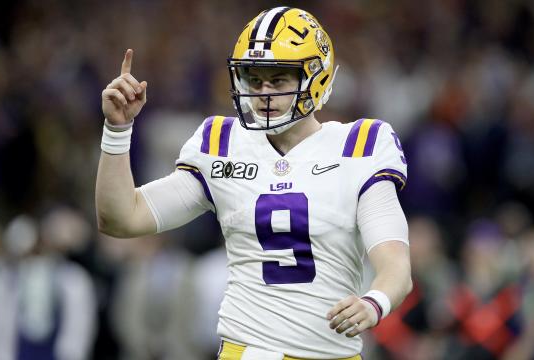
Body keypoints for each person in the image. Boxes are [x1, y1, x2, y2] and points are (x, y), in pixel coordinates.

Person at [96, 7, 412, 359]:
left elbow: (396, 267)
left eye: (278, 80)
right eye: (254, 79)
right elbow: (121, 218)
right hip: (247, 351)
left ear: (316, 78)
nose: (263, 93)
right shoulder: (222, 143)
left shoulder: (361, 147)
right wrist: (117, 131)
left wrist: (374, 302)